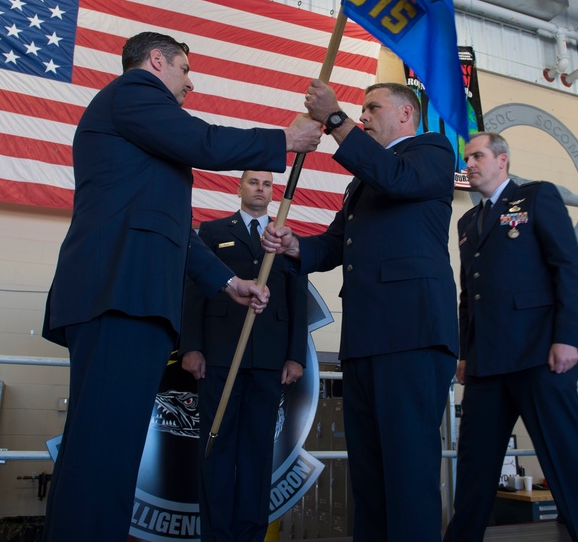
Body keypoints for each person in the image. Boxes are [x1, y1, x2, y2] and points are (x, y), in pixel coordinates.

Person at [40, 32, 322, 542]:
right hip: (118, 295)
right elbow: (204, 141)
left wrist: (228, 282)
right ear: (155, 61)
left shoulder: (142, 135)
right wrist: (282, 141)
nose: (190, 82)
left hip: (133, 297)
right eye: (185, 69)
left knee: (112, 450)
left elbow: (170, 227)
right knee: (101, 452)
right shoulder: (132, 94)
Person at [262, 79, 458, 542]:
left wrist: (334, 119)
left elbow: (396, 178)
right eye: (359, 110)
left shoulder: (431, 153)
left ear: (406, 114)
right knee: (369, 477)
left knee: (408, 472)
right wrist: (295, 247)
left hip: (412, 334)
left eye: (372, 108)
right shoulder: (364, 179)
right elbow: (335, 243)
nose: (363, 116)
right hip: (368, 338)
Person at [443, 132, 578, 542]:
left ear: (502, 160)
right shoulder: (468, 221)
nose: (470, 164)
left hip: (540, 354)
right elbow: (470, 293)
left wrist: (568, 337)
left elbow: (567, 267)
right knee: (475, 465)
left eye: (478, 156)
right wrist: (466, 353)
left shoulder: (536, 197)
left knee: (566, 459)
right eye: (467, 158)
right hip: (487, 362)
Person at [180, 170, 308, 542]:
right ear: (239, 188)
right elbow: (195, 290)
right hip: (219, 357)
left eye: (267, 184)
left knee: (256, 456)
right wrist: (192, 346)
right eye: (253, 182)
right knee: (216, 452)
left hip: (268, 361)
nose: (260, 189)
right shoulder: (214, 232)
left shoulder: (285, 238)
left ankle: (250, 535)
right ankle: (216, 536)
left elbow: (296, 300)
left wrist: (295, 356)